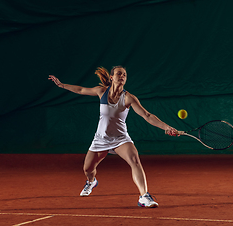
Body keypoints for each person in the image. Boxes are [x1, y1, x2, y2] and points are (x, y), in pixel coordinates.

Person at [48, 66, 179, 208]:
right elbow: (80, 90)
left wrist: (166, 127)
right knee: (87, 169)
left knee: (134, 160)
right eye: (119, 74)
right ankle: (91, 182)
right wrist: (62, 85)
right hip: (100, 139)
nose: (122, 76)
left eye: (124, 74)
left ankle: (144, 196)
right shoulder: (101, 91)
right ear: (111, 77)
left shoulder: (129, 97)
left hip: (120, 139)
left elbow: (146, 115)